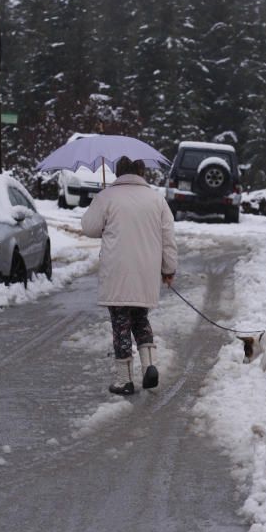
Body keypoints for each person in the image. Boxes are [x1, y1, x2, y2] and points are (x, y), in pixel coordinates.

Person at [81, 156, 177, 395]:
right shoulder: (157, 199)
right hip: (145, 272)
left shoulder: (108, 197)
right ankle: (150, 366)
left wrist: (100, 203)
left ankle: (125, 380)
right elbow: (168, 239)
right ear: (142, 172)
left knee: (121, 325)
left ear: (117, 172)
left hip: (117, 272)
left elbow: (89, 228)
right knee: (141, 320)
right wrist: (168, 269)